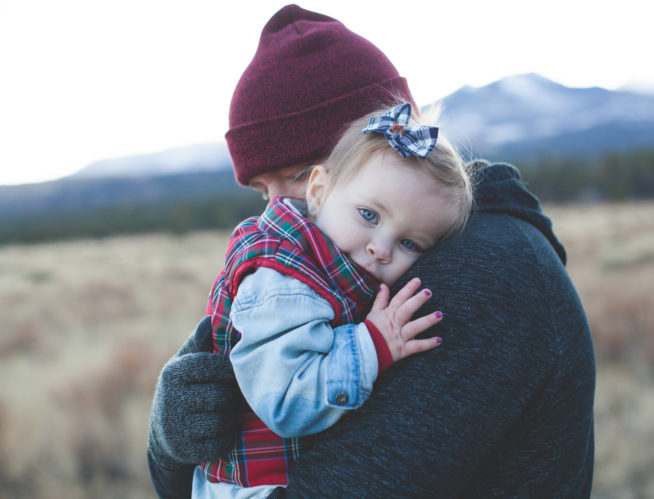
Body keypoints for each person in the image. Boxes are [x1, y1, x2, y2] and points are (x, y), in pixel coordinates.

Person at [148, 4, 595, 498]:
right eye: (261, 192)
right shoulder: (330, 268)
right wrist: (170, 438)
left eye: (298, 176)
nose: (278, 212)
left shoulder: (482, 274)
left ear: (389, 141)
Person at [194, 102, 472, 498]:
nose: (381, 249)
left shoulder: (337, 264)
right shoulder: (283, 279)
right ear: (319, 191)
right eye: (369, 215)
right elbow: (286, 401)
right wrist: (372, 345)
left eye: (409, 243)